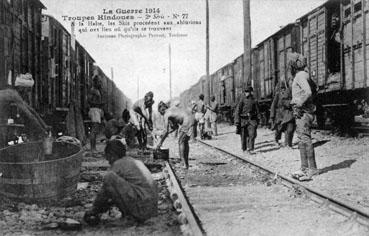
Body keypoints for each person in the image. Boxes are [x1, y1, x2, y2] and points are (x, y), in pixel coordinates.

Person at [84, 139, 158, 225]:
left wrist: (94, 210)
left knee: (109, 177)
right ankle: (132, 215)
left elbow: (103, 193)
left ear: (111, 155)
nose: (108, 161)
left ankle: (129, 217)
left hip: (142, 209)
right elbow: (116, 193)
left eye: (107, 158)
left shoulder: (118, 164)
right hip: (151, 209)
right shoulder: (132, 161)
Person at [289, 52, 319, 181]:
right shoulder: (304, 74)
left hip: (303, 112)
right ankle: (304, 167)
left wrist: (300, 103)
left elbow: (308, 92)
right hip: (303, 111)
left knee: (305, 139)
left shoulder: (300, 76)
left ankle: (312, 169)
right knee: (301, 139)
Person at [234, 86, 260, 154]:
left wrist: (259, 120)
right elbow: (237, 110)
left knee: (252, 134)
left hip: (252, 120)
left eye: (247, 91)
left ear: (251, 92)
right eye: (245, 92)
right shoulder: (242, 100)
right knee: (243, 135)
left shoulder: (254, 100)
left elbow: (257, 111)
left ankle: (251, 149)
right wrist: (237, 121)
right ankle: (244, 149)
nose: (246, 93)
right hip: (243, 120)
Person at [269, 80, 295, 148]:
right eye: (281, 88)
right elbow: (273, 106)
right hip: (279, 115)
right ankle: (276, 140)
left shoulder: (289, 93)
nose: (282, 90)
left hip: (287, 114)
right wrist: (272, 116)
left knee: (288, 129)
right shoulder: (277, 95)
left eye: (283, 88)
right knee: (278, 129)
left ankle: (288, 143)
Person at [87, 76, 104, 152]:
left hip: (97, 110)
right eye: (99, 82)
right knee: (94, 130)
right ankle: (92, 148)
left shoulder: (97, 90)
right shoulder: (93, 90)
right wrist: (99, 104)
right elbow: (89, 101)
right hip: (94, 110)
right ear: (95, 82)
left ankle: (94, 148)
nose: (100, 83)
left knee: (95, 130)